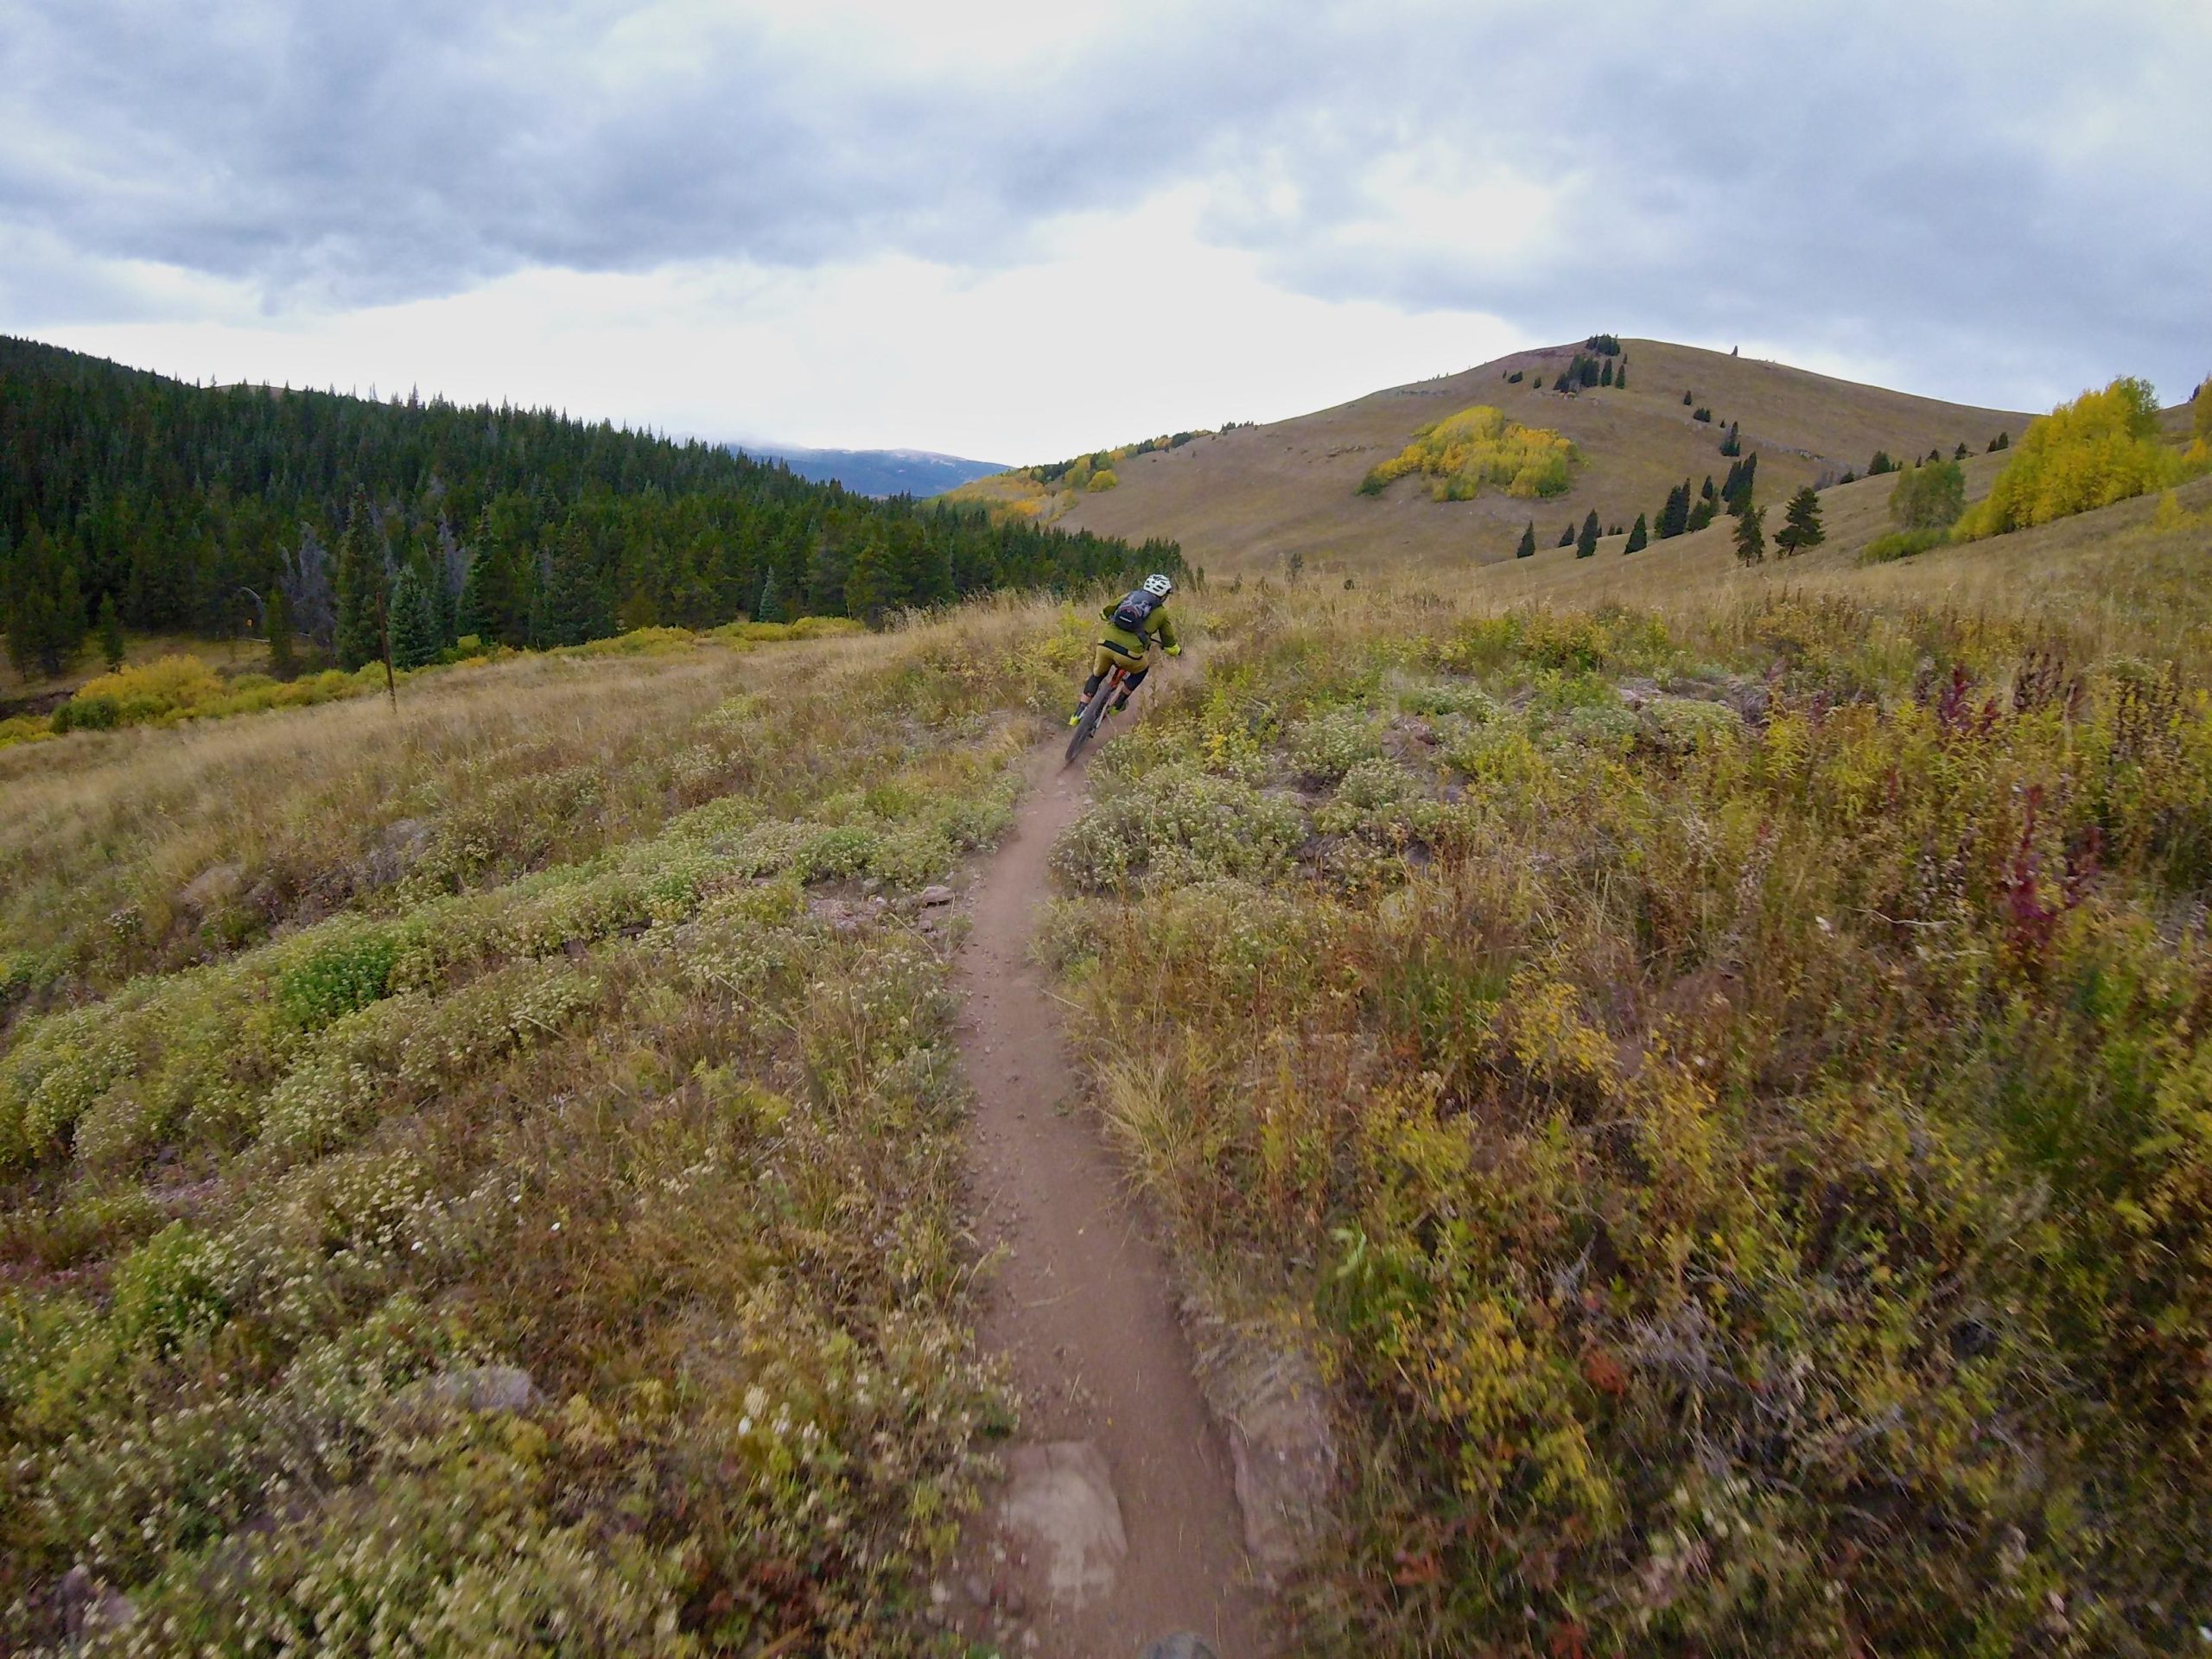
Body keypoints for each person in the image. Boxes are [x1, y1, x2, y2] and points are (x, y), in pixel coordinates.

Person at [1071, 573, 1181, 726]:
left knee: (1097, 675)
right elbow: (1170, 643)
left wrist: (1107, 617)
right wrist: (1175, 651)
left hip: (1105, 644)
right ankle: (1118, 704)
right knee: (1141, 670)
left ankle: (1078, 712)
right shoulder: (1161, 612)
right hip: (1130, 653)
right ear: (1163, 595)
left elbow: (1105, 613)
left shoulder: (1129, 595)